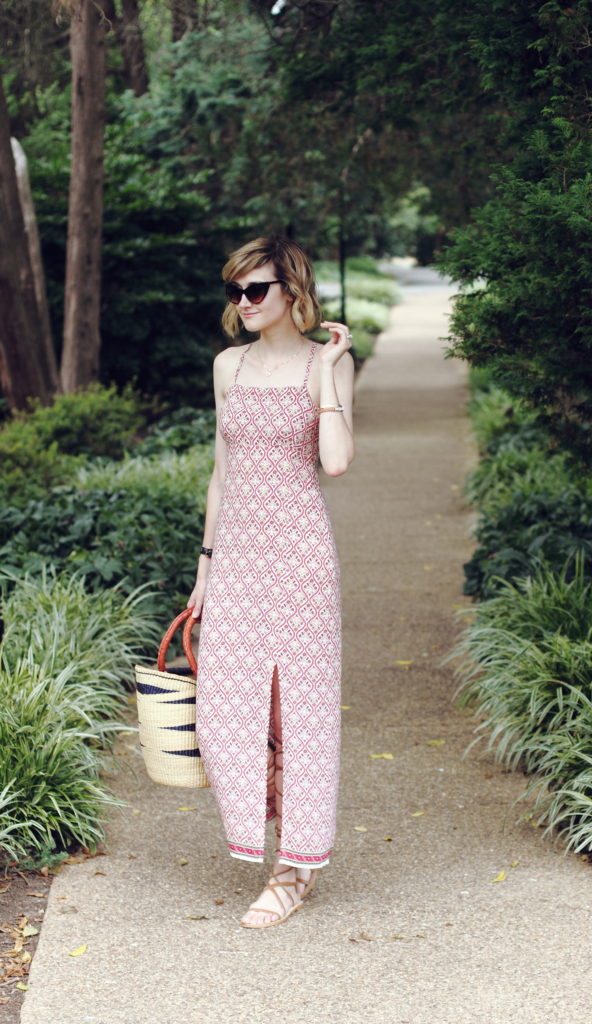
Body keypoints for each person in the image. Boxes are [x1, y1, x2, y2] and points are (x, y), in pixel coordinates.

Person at [187, 236, 354, 928]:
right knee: (226, 704)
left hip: (299, 557)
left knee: (302, 711)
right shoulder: (228, 367)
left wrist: (334, 374)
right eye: (236, 291)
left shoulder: (324, 364)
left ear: (292, 292)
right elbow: (221, 472)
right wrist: (205, 566)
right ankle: (267, 832)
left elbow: (336, 461)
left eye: (256, 290)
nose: (244, 303)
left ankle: (294, 869)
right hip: (239, 561)